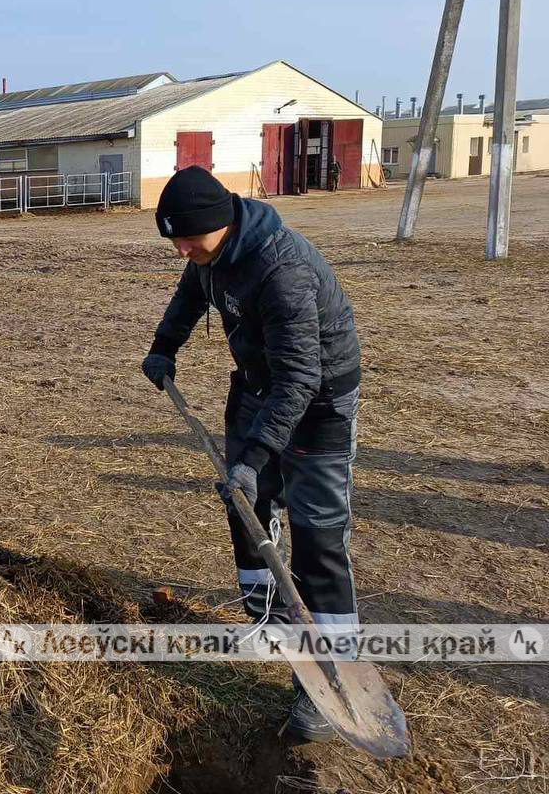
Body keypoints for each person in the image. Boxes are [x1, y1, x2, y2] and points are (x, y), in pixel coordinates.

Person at [141, 167, 362, 742]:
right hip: (258, 385)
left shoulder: (281, 270)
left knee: (317, 535)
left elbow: (301, 378)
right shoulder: (210, 253)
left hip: (319, 399)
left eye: (190, 239)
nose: (183, 251)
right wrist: (165, 346)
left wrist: (257, 453)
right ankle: (271, 618)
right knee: (243, 503)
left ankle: (331, 677)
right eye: (174, 241)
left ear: (222, 223)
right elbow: (192, 291)